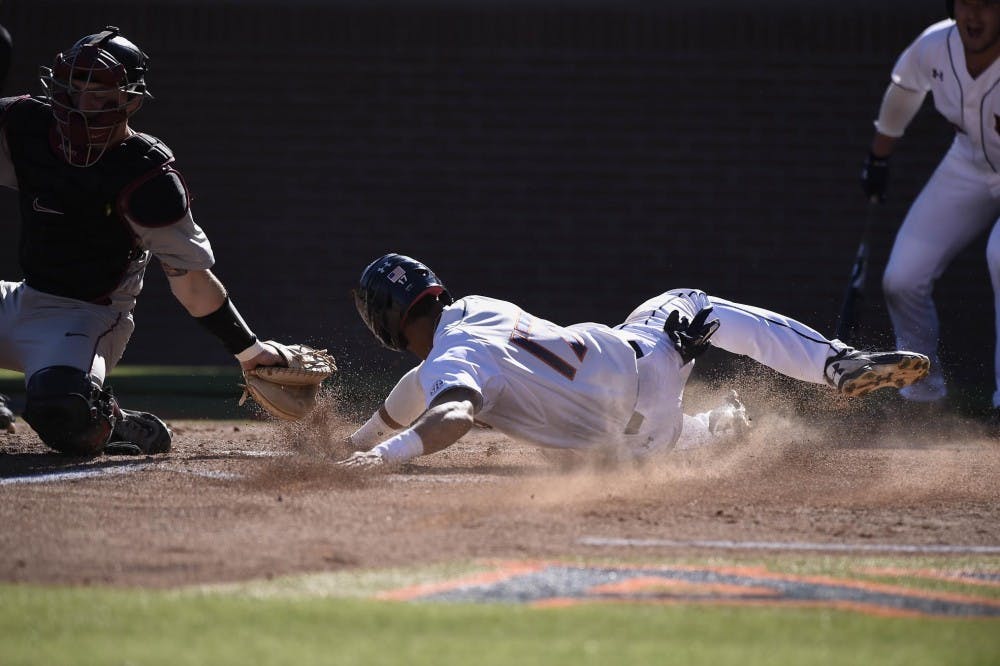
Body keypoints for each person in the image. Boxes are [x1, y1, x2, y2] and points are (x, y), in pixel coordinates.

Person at [338, 253, 931, 469]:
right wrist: (365, 443)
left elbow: (449, 408)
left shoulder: (448, 369)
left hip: (627, 444)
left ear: (386, 322)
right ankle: (836, 365)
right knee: (692, 306)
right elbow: (433, 387)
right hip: (641, 369)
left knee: (636, 427)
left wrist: (373, 451)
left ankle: (716, 427)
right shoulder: (473, 310)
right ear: (434, 292)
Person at [0, 26, 286, 456]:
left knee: (62, 413)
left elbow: (191, 282)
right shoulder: (26, 126)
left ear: (130, 100)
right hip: (21, 299)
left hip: (86, 318)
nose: (80, 105)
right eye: (73, 89)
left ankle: (108, 418)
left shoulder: (145, 176)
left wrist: (247, 350)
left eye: (96, 93)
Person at [859, 0, 1000, 418]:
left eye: (988, 4)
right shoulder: (936, 44)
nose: (974, 15)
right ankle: (923, 399)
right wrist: (878, 158)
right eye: (966, 3)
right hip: (968, 162)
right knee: (903, 277)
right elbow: (904, 90)